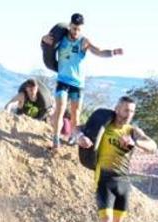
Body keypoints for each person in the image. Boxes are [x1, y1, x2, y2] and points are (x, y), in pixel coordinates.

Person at [77, 95, 157, 222]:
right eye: (126, 110)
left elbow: (153, 145)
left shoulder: (132, 131)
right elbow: (77, 129)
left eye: (132, 111)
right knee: (106, 220)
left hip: (123, 181)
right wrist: (80, 137)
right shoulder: (104, 126)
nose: (129, 114)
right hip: (104, 179)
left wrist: (135, 142)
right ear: (117, 109)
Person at [40, 13, 123, 150]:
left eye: (79, 29)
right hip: (63, 80)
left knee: (75, 113)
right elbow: (46, 45)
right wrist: (43, 39)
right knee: (60, 109)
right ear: (70, 26)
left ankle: (73, 137)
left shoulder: (83, 41)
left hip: (77, 84)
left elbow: (98, 51)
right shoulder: (61, 38)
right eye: (74, 28)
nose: (76, 32)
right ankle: (55, 139)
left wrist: (113, 52)